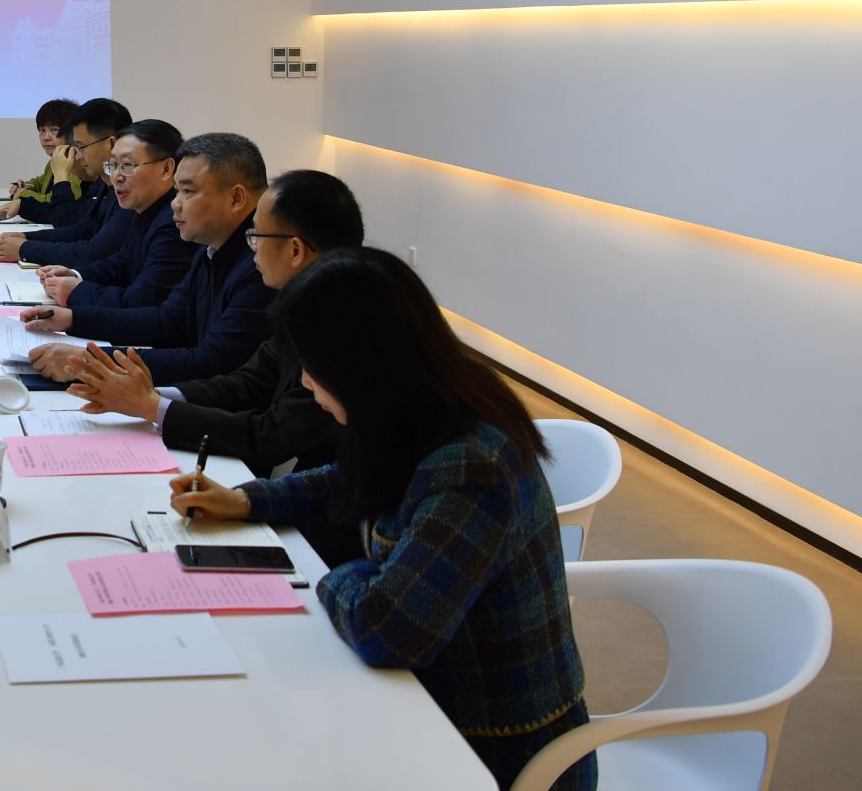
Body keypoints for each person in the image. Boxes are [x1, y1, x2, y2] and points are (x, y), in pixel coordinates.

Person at [170, 249, 594, 790]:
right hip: (422, 703)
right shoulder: (422, 408)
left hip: (492, 748)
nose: (306, 384)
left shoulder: (471, 468)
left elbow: (385, 630)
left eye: (312, 368)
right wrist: (249, 500)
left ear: (359, 366)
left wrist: (339, 574)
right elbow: (346, 477)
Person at [68, 169, 364, 561]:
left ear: (295, 250)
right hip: (309, 500)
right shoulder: (306, 302)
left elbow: (272, 435)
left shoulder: (344, 323)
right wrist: (151, 398)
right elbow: (246, 382)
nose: (251, 247)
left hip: (340, 530)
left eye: (257, 236)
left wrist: (152, 407)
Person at [24, 131, 268, 384]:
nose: (175, 204)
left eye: (188, 191)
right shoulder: (210, 247)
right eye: (177, 191)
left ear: (236, 198)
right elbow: (167, 320)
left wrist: (88, 361)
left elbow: (210, 363)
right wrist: (73, 319)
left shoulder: (261, 264)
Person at [32, 119, 195, 310]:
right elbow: (120, 264)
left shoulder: (174, 224)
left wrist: (76, 293)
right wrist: (75, 275)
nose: (116, 176)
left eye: (127, 165)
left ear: (166, 169)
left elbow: (140, 302)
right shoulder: (145, 208)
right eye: (113, 165)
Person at [0, 98, 133, 266]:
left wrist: (24, 249)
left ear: (111, 143)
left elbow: (93, 252)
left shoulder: (129, 189)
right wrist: (25, 237)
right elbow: (82, 230)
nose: (78, 156)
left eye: (80, 147)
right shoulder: (103, 184)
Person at [0, 97, 78, 223]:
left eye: (54, 130)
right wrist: (26, 186)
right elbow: (40, 183)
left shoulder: (77, 165)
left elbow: (55, 202)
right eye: (42, 130)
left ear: (72, 133)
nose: (46, 137)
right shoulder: (55, 160)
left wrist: (22, 194)